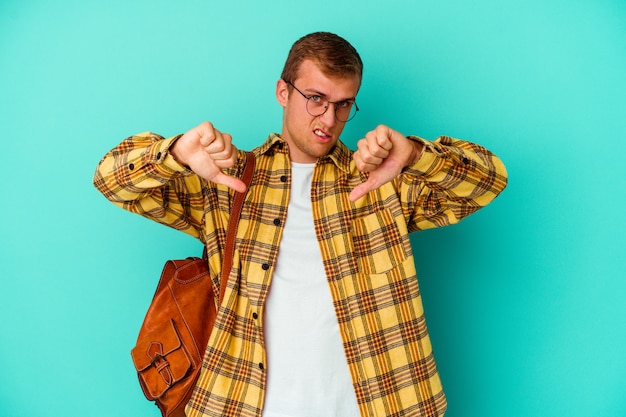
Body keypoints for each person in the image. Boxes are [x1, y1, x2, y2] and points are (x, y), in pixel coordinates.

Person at [94, 32, 507, 417]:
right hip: (246, 403)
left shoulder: (378, 180)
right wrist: (178, 152)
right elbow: (110, 179)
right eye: (315, 98)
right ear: (282, 92)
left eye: (344, 103)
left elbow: (489, 180)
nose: (328, 117)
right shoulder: (229, 180)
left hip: (378, 402)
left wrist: (416, 155)